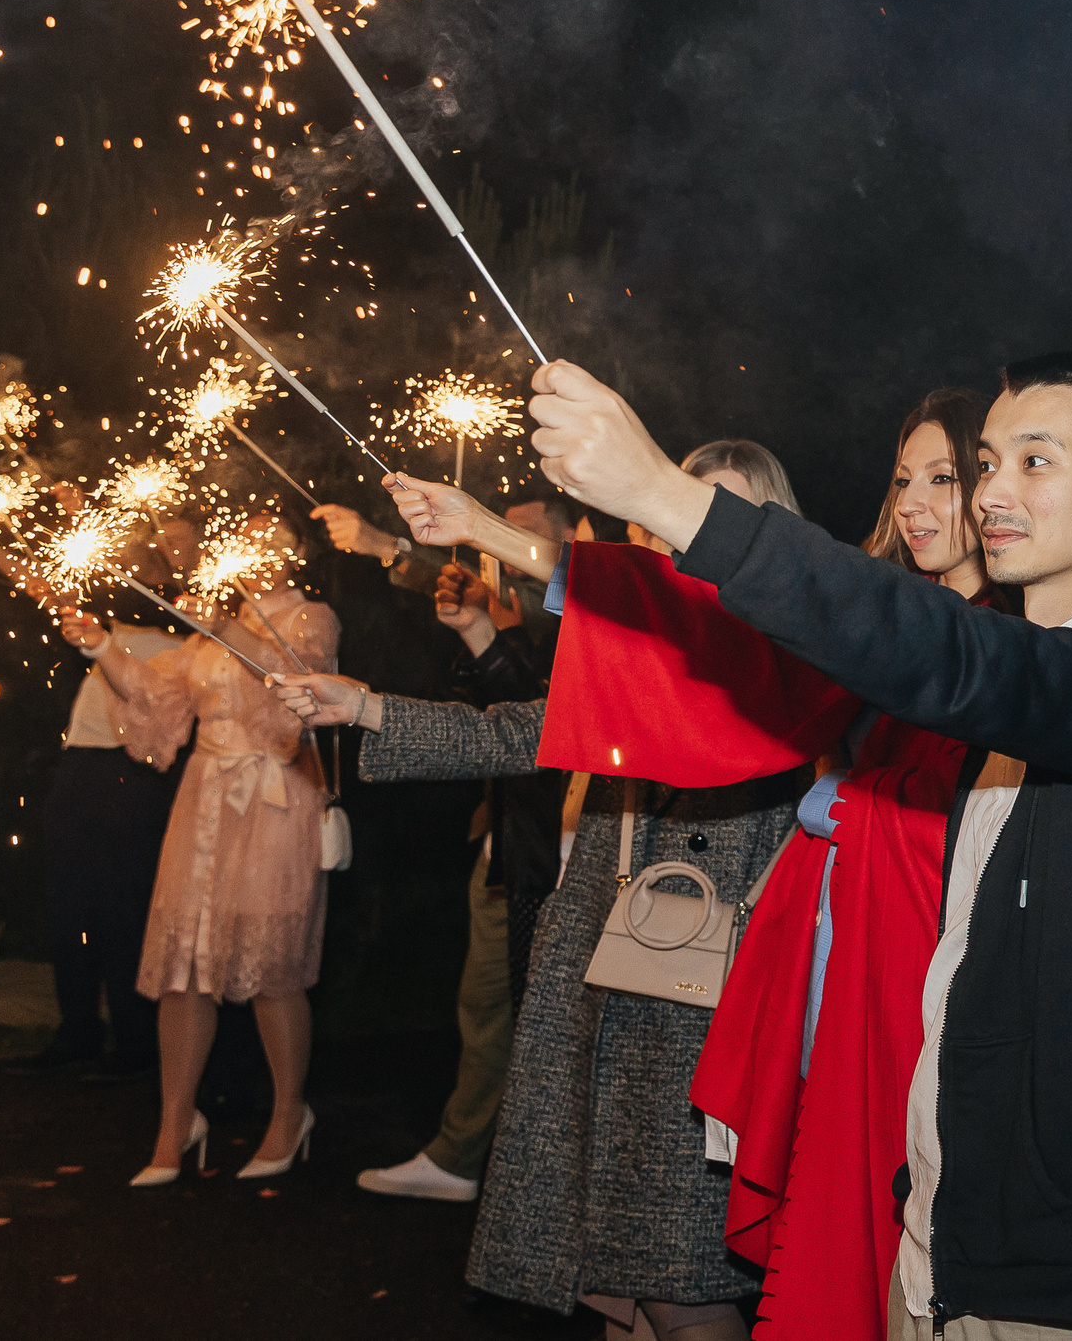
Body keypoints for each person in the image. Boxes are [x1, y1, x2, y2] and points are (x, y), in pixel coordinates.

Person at [517, 351, 1072, 1341]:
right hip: (935, 1238)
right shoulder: (996, 690)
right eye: (986, 461)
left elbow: (968, 660)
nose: (993, 490)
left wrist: (666, 497)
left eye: (1035, 462)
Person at [273, 442, 810, 1341]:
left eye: (724, 517)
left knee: (687, 1284)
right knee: (617, 1280)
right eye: (683, 509)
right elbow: (518, 728)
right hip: (606, 976)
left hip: (714, 995)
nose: (692, 536)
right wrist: (365, 706)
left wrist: (482, 529)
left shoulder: (789, 649)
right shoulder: (639, 648)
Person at [687, 389, 1009, 1341]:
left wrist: (851, 802)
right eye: (903, 479)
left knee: (881, 1220)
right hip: (845, 955)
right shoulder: (899, 614)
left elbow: (959, 833)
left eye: (942, 478)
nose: (912, 502)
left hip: (907, 973)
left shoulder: (1001, 641)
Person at [56, 510, 340, 1188]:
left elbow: (294, 701)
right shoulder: (214, 628)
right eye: (247, 539)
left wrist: (225, 626)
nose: (257, 550)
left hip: (275, 796)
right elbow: (156, 695)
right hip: (204, 797)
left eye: (273, 539)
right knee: (183, 961)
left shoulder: (310, 618)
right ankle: (175, 1122)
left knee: (271, 964)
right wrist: (101, 647)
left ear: (297, 550)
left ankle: (288, 1112)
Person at [353, 559, 555, 1204]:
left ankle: (541, 1185)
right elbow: (504, 720)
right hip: (513, 843)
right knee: (487, 1007)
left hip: (572, 857)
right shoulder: (536, 629)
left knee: (551, 1025)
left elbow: (536, 726)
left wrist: (388, 546)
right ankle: (460, 1156)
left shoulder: (600, 619)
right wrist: (471, 628)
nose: (504, 562)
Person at [1, 519, 195, 1081]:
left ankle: (136, 1041)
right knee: (70, 902)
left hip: (132, 777)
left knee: (124, 907)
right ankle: (79, 1030)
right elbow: (43, 584)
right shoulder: (110, 624)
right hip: (80, 767)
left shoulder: (190, 640)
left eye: (155, 563)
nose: (142, 569)